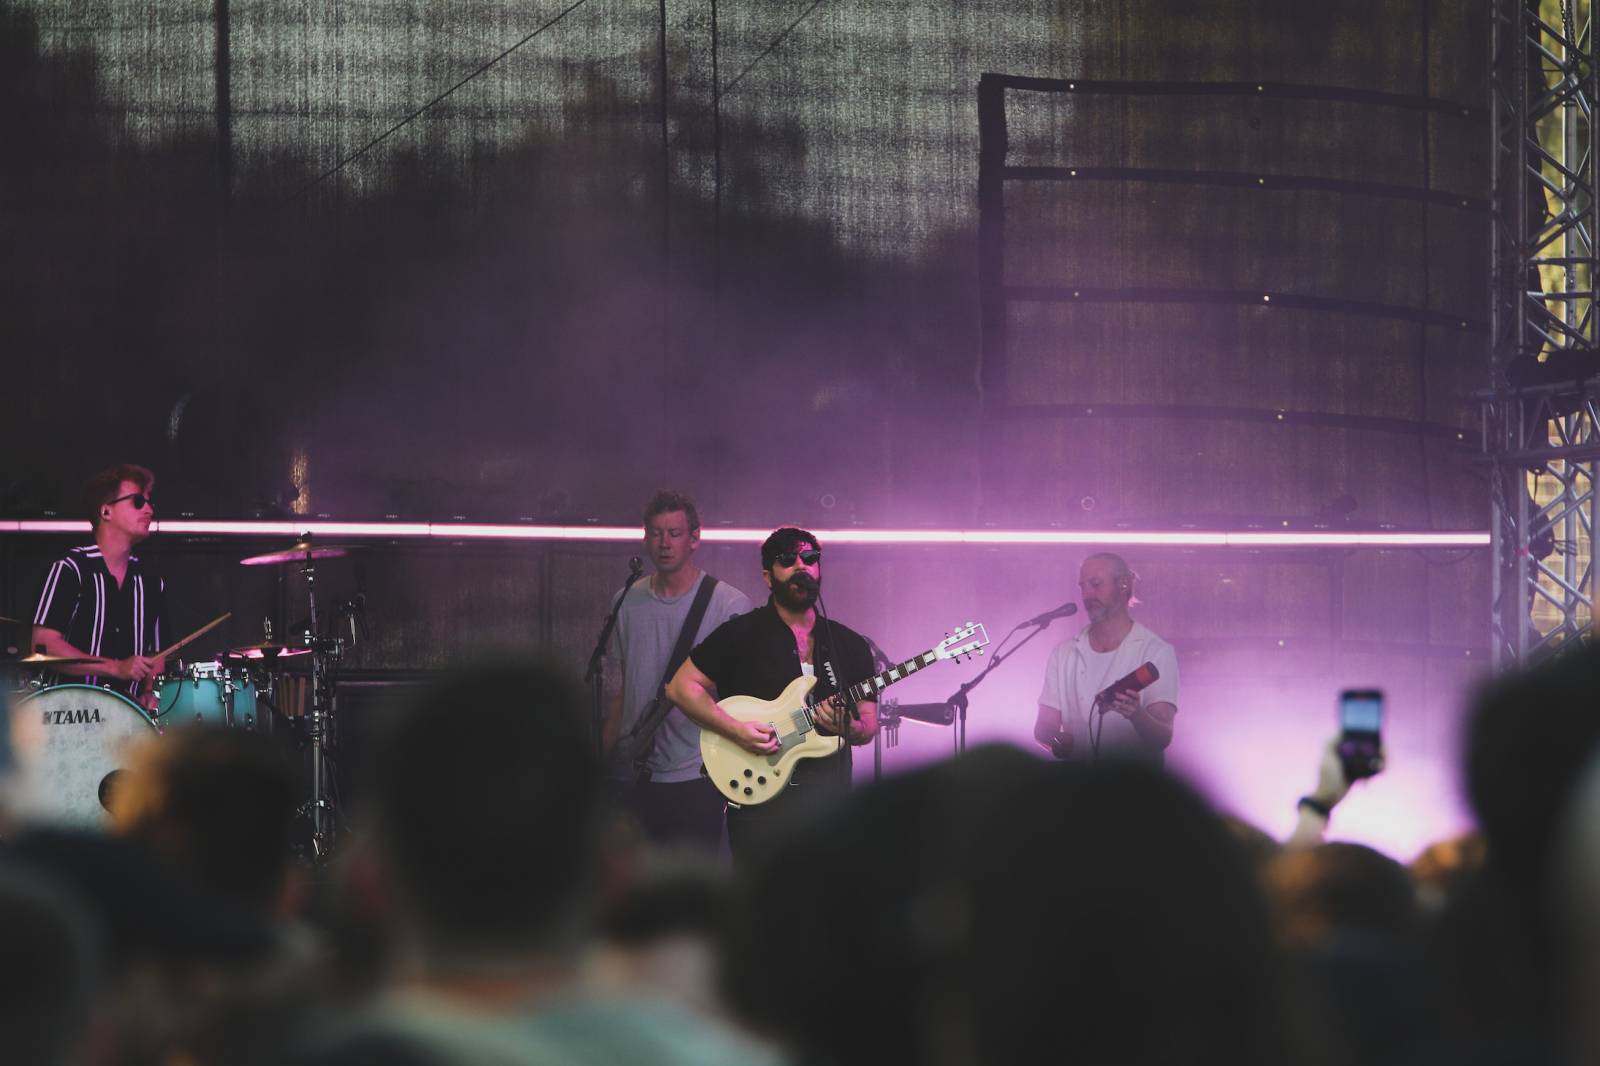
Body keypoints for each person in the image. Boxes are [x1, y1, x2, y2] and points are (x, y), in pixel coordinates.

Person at [665, 527, 877, 862]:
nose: (800, 566)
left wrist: (850, 729)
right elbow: (680, 687)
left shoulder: (847, 644)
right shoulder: (740, 634)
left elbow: (868, 724)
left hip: (830, 805)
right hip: (759, 806)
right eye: (787, 560)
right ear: (768, 576)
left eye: (809, 558)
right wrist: (736, 731)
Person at [602, 491, 751, 853]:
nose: (664, 543)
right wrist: (604, 758)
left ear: (694, 539)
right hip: (635, 775)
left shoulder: (728, 604)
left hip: (697, 774)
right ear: (645, 537)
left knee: (688, 888)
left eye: (674, 533)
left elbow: (740, 697)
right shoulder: (625, 600)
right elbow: (622, 688)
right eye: (656, 533)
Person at [31, 464, 168, 709]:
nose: (149, 509)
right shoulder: (71, 569)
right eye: (138, 501)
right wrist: (115, 667)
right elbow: (43, 645)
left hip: (129, 720)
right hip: (64, 718)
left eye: (149, 502)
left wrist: (149, 690)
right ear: (105, 511)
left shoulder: (152, 582)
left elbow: (157, 655)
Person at [1033, 552, 1177, 762]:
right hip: (1076, 789)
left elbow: (1162, 738)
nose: (1087, 594)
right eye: (1083, 587)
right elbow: (1044, 726)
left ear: (1124, 584)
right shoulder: (1063, 653)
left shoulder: (1157, 652)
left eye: (1096, 584)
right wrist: (1056, 740)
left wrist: (1136, 714)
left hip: (1136, 790)